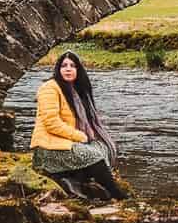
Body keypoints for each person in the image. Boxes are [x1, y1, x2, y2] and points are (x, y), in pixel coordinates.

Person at [30, 50, 128, 200]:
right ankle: (118, 196)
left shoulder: (76, 90)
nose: (68, 69)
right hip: (48, 148)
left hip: (65, 143)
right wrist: (78, 135)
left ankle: (76, 180)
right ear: (58, 69)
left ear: (78, 70)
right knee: (94, 155)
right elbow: (51, 123)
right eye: (64, 65)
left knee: (102, 147)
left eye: (72, 66)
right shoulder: (49, 88)